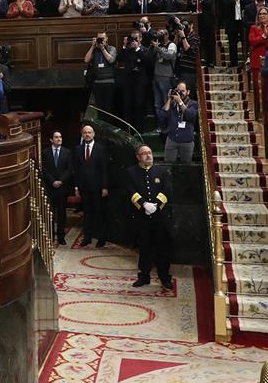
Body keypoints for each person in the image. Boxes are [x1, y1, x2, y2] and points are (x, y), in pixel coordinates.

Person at [125, 144, 173, 290]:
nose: (148, 155)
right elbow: (130, 190)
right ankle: (144, 276)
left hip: (160, 217)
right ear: (138, 157)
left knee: (162, 248)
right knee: (144, 247)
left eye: (150, 152)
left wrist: (156, 205)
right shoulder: (131, 172)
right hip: (142, 216)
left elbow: (167, 190)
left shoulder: (162, 171)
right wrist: (143, 204)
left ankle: (164, 277)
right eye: (144, 153)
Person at [73, 124, 109, 248]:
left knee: (100, 213)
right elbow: (76, 170)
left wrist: (105, 187)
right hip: (84, 188)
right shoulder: (78, 149)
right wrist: (76, 186)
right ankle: (87, 237)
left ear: (93, 134)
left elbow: (105, 169)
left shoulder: (101, 149)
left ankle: (101, 238)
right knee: (87, 214)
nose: (87, 134)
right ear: (82, 135)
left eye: (89, 132)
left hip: (98, 188)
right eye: (85, 132)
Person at [41, 131, 73, 244]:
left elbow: (69, 170)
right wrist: (52, 181)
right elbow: (44, 169)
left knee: (61, 214)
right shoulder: (45, 153)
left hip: (62, 188)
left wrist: (60, 181)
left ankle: (61, 237)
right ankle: (50, 236)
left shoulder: (67, 152)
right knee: (50, 213)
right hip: (50, 187)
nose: (59, 139)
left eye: (60, 137)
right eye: (56, 137)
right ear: (51, 139)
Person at [158, 81, 198, 164]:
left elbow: (190, 116)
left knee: (186, 167)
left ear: (188, 92)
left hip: (187, 141)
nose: (180, 93)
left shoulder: (194, 104)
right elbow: (162, 116)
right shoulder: (172, 104)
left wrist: (180, 102)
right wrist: (169, 99)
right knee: (168, 166)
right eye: (178, 90)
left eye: (182, 91)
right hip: (172, 139)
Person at [84, 31, 117, 109]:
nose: (101, 40)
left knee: (109, 107)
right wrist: (92, 46)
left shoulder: (111, 48)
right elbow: (86, 60)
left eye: (102, 38)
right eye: (99, 38)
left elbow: (111, 60)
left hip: (109, 82)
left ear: (106, 39)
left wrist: (103, 49)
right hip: (97, 82)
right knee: (100, 107)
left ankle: (108, 121)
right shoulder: (94, 50)